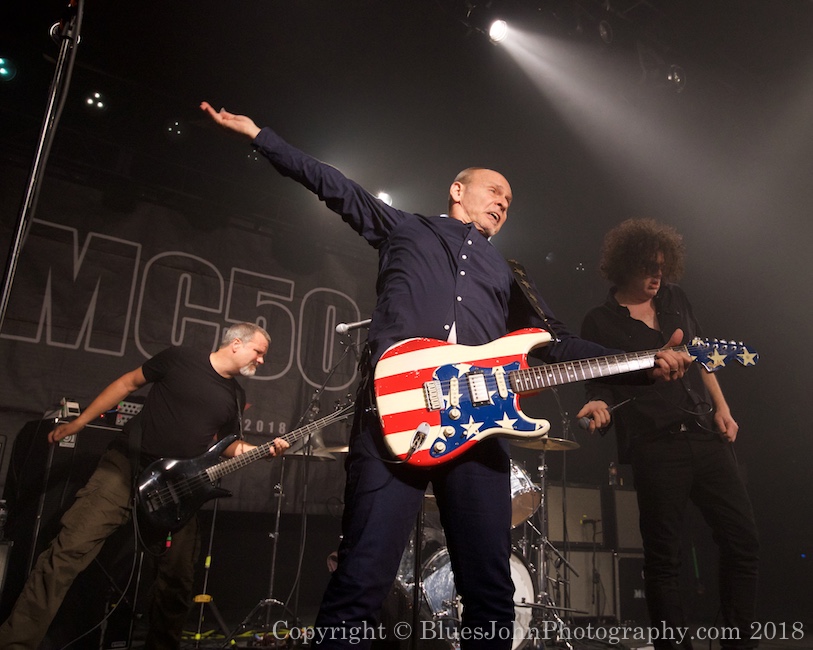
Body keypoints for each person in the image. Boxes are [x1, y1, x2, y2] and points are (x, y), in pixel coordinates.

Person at [200, 102, 692, 649]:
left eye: (509, 201)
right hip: (396, 414)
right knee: (361, 577)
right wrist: (260, 136)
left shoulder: (508, 272)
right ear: (458, 190)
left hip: (477, 426)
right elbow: (334, 185)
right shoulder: (407, 228)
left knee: (490, 590)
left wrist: (645, 362)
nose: (503, 202)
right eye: (494, 191)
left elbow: (557, 341)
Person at [0, 322, 288, 650]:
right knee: (67, 551)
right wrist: (79, 422)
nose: (261, 361)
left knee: (177, 581)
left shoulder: (235, 396)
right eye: (259, 352)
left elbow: (227, 445)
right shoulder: (180, 359)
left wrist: (262, 450)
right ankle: (14, 643)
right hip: (126, 468)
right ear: (236, 343)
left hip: (177, 489)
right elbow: (128, 383)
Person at [578, 218, 759, 649]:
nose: (657, 276)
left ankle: (740, 643)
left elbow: (700, 355)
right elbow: (598, 385)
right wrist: (596, 406)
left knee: (743, 541)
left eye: (662, 267)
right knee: (664, 560)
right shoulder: (599, 321)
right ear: (624, 266)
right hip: (655, 445)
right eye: (648, 267)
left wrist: (723, 408)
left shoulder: (676, 298)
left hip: (702, 432)